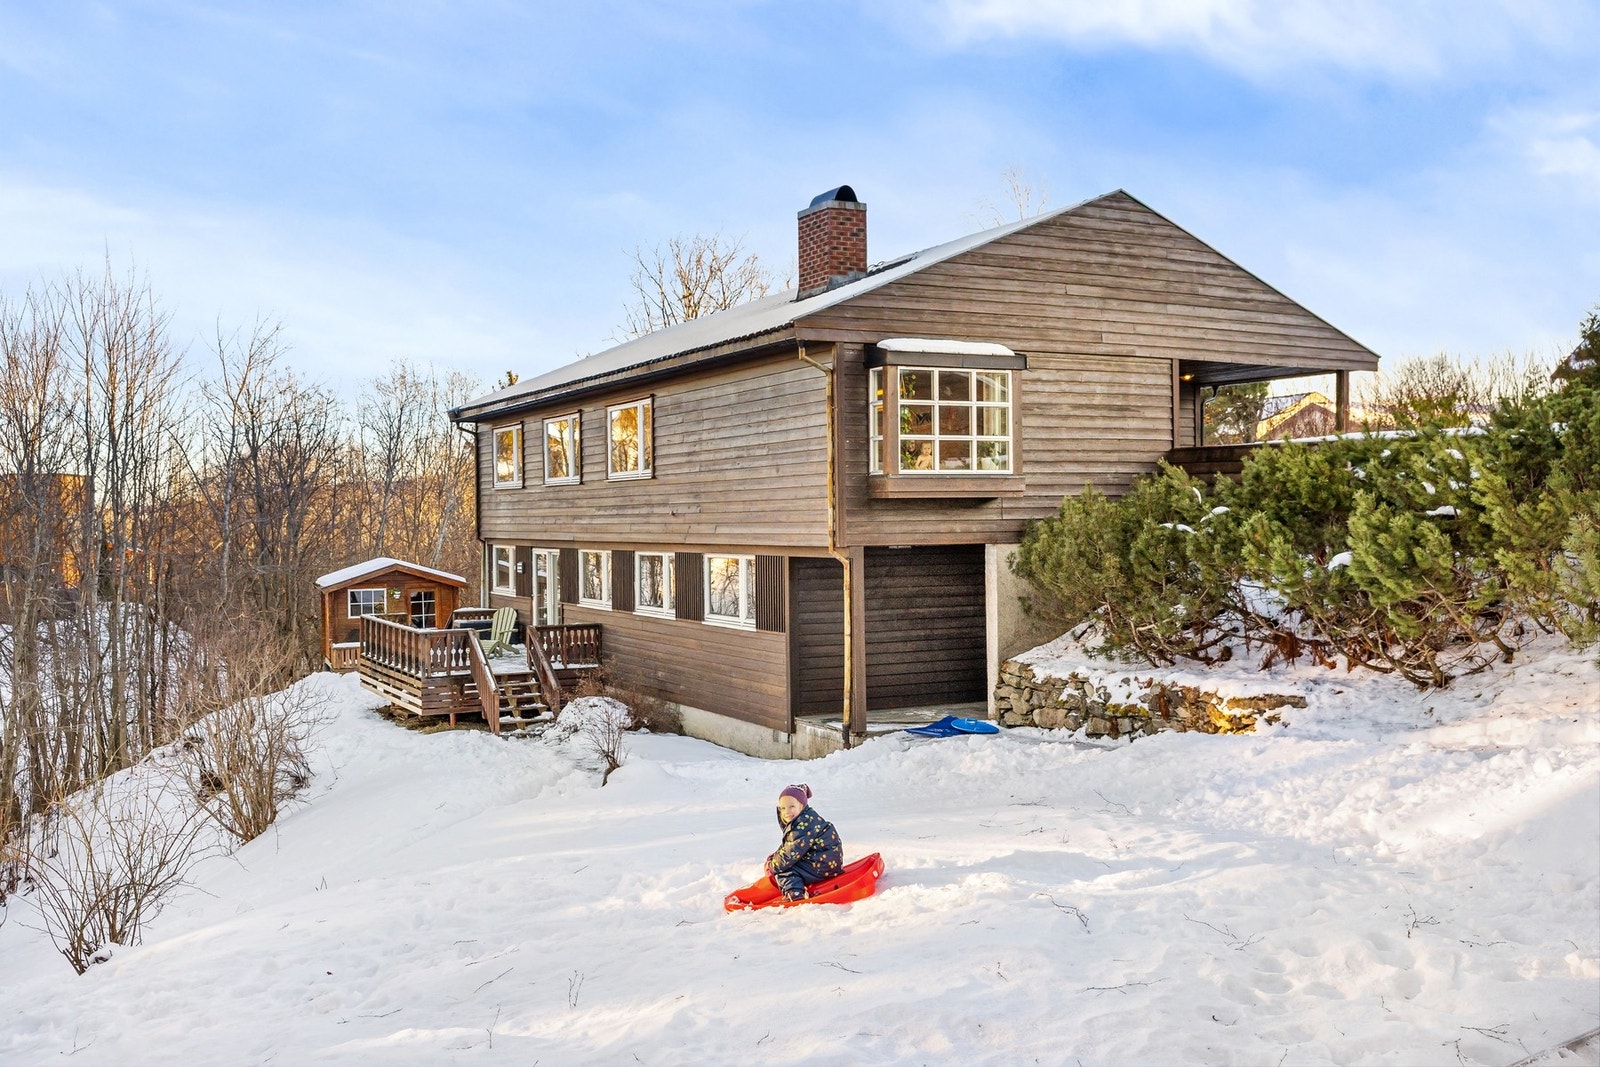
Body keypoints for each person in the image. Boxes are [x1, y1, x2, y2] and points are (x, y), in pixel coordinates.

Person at [765, 784, 843, 901]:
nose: (787, 812)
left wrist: (773, 866)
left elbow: (791, 853)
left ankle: (795, 893)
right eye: (783, 808)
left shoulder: (803, 825)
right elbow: (789, 846)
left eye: (792, 806)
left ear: (802, 806)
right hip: (826, 861)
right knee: (784, 863)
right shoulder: (806, 819)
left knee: (784, 870)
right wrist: (775, 857)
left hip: (821, 866)